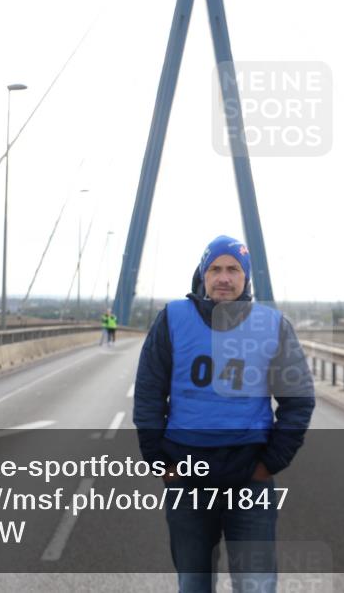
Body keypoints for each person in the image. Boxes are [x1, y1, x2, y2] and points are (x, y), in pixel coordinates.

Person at [133, 235, 315, 593]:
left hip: (250, 477)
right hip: (185, 476)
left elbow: (299, 399)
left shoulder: (273, 325)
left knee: (256, 585)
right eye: (215, 268)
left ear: (246, 278)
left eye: (233, 269)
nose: (224, 277)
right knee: (193, 583)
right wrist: (161, 465)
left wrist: (270, 463)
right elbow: (149, 395)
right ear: (202, 275)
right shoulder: (172, 319)